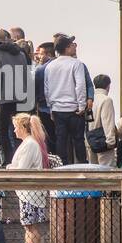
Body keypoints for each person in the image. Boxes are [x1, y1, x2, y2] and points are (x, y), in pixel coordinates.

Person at [7, 113, 50, 243]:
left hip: (31, 193)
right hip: (27, 192)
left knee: (32, 226)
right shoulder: (29, 143)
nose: (14, 130)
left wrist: (9, 168)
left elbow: (22, 168)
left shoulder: (30, 144)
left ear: (23, 128)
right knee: (28, 226)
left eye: (16, 127)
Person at [43, 34, 93, 165]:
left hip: (57, 109)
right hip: (74, 109)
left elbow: (47, 89)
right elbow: (80, 85)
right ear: (66, 48)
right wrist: (81, 106)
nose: (74, 47)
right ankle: (82, 165)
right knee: (78, 140)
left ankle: (61, 167)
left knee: (61, 140)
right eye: (72, 45)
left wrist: (50, 108)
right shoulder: (76, 64)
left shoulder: (50, 66)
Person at [0, 28, 31, 164]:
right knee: (20, 132)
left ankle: (7, 163)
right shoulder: (21, 53)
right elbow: (27, 75)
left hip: (5, 98)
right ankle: (22, 161)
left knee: (1, 133)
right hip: (21, 97)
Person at [90, 74, 118, 166]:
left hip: (90, 141)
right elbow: (107, 121)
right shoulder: (106, 100)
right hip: (103, 141)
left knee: (92, 170)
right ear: (108, 86)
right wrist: (111, 142)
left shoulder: (90, 99)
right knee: (107, 170)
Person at [33, 41, 56, 147]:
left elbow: (35, 90)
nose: (39, 57)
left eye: (41, 54)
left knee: (49, 139)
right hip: (61, 108)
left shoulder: (40, 69)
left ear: (48, 54)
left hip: (44, 108)